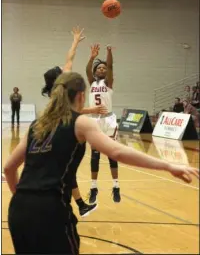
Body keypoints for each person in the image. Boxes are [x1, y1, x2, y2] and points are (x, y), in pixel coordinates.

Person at [4, 71, 199, 254]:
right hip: (50, 210)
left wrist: (23, 198)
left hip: (18, 210)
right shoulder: (80, 122)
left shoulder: (37, 124)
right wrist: (168, 165)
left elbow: (9, 167)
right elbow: (117, 151)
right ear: (81, 96)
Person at [42, 27, 107, 217]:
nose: (64, 68)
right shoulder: (62, 87)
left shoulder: (56, 91)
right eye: (61, 70)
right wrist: (75, 42)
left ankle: (79, 204)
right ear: (59, 76)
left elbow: (69, 60)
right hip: (69, 133)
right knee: (67, 172)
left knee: (66, 171)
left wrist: (76, 42)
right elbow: (69, 60)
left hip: (59, 132)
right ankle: (69, 206)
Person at [86, 44, 120, 204]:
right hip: (94, 120)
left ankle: (116, 186)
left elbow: (111, 66)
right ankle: (93, 187)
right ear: (95, 72)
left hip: (108, 120)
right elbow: (87, 71)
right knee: (95, 155)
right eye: (99, 68)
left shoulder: (109, 83)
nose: (102, 69)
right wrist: (92, 57)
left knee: (112, 154)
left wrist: (108, 52)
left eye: (104, 68)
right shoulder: (92, 82)